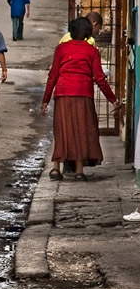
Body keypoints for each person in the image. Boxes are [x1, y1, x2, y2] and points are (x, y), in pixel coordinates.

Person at [40, 16, 120, 181]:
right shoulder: (92, 51)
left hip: (63, 93)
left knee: (62, 129)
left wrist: (45, 100)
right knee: (82, 130)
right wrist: (113, 99)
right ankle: (78, 171)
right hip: (83, 94)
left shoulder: (61, 49)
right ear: (88, 32)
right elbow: (99, 78)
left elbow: (53, 76)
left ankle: (56, 168)